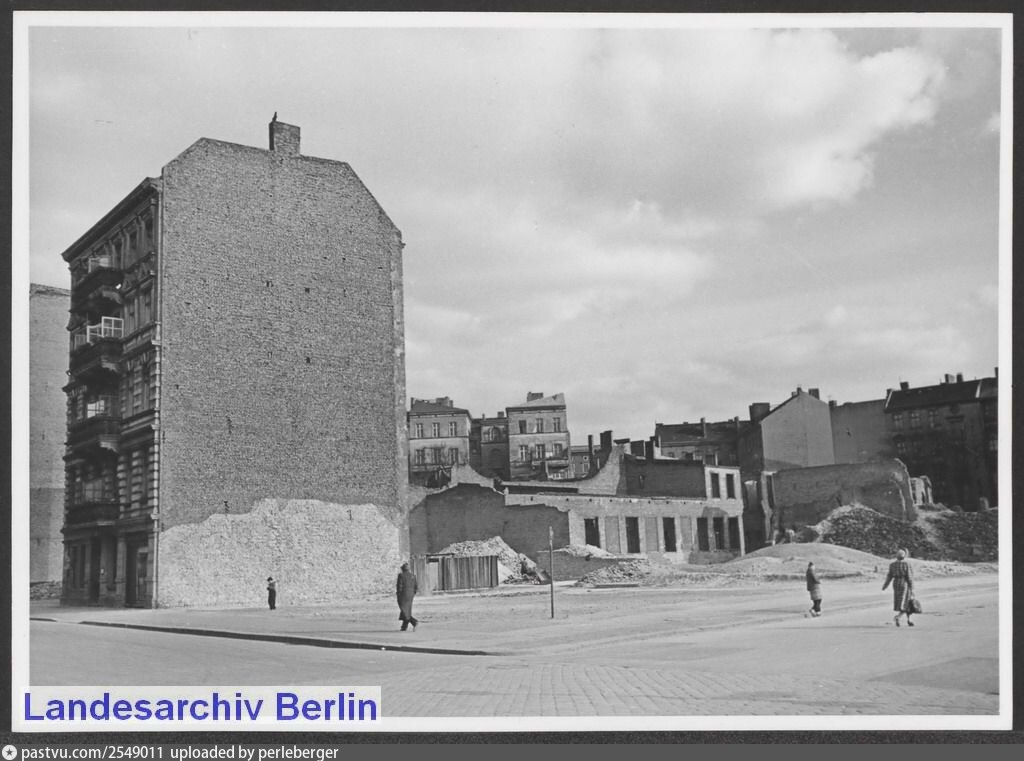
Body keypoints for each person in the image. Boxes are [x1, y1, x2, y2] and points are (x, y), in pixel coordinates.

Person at [882, 549, 915, 627]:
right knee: (907, 602)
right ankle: (899, 617)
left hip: (896, 583)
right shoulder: (907, 564)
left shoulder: (892, 565)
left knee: (900, 602)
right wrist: (912, 587)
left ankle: (909, 620)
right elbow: (909, 576)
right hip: (905, 583)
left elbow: (889, 576)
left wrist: (885, 586)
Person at [396, 562, 419, 632]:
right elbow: (416, 586)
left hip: (403, 594)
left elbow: (399, 586)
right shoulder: (413, 576)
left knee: (404, 610)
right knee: (407, 609)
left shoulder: (401, 575)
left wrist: (398, 593)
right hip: (410, 595)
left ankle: (414, 622)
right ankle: (404, 626)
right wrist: (413, 593)